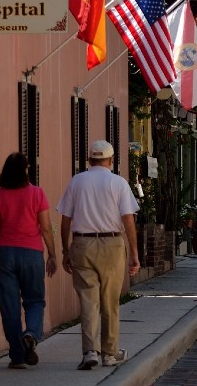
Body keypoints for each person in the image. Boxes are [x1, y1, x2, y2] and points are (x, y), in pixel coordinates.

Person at [58, 140, 140, 370]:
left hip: (82, 243)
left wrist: (66, 250)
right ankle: (110, 353)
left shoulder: (77, 181)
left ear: (89, 160)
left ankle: (90, 351)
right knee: (110, 301)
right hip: (112, 243)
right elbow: (128, 219)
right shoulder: (118, 183)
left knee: (88, 301)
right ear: (111, 160)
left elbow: (65, 219)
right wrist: (134, 252)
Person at [0, 152, 57, 370]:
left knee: (9, 306)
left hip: (4, 255)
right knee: (34, 300)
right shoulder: (37, 193)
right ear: (25, 170)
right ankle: (31, 333)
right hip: (32, 254)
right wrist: (52, 254)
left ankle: (17, 355)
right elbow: (45, 227)